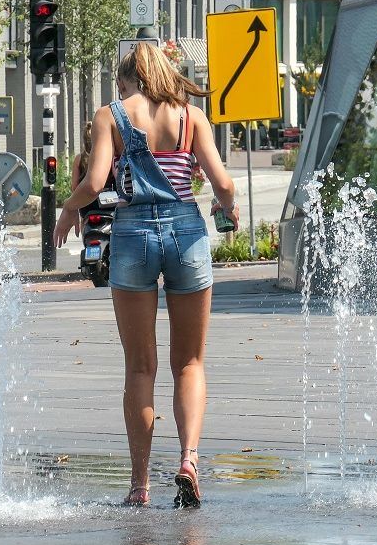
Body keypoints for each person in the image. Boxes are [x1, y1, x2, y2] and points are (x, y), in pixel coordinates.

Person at [54, 42, 240, 508]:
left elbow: (95, 183)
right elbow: (223, 183)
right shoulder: (189, 117)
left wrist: (66, 212)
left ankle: (139, 486)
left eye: (119, 85)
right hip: (186, 233)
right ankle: (189, 461)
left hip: (134, 235)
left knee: (140, 367)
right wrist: (226, 207)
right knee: (190, 364)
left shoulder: (110, 116)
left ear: (127, 81)